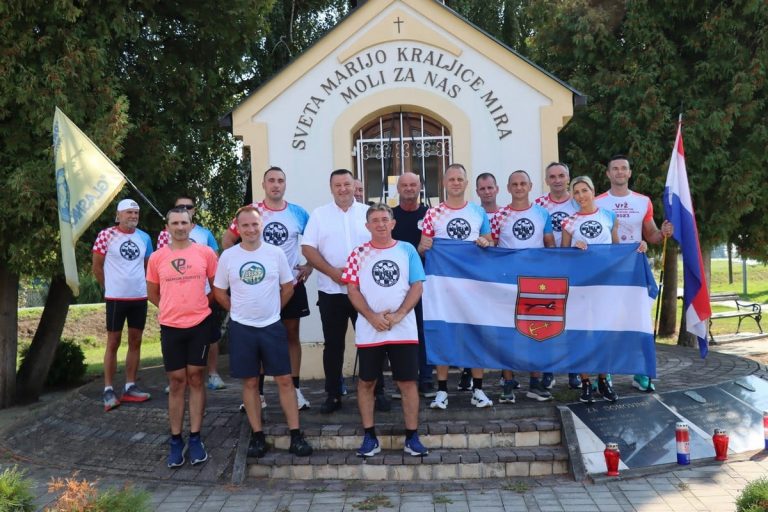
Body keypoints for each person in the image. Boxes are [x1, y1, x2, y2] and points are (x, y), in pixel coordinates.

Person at [214, 206, 312, 458]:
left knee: (285, 380)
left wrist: (274, 310)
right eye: (245, 225)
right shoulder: (228, 256)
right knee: (250, 382)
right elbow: (219, 292)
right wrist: (236, 311)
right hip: (242, 328)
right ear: (238, 228)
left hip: (271, 326)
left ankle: (296, 435)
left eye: (255, 225)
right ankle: (257, 436)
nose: (250, 229)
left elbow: (288, 287)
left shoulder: (274, 253)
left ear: (262, 226)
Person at [222, 167, 313, 410]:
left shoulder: (298, 212)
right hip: (257, 287)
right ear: (263, 184)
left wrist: (310, 265)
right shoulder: (251, 212)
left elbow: (315, 242)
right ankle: (258, 394)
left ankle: (295, 390)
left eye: (280, 180)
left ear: (285, 184)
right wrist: (236, 269)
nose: (276, 184)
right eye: (271, 180)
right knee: (257, 338)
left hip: (290, 285)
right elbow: (227, 239)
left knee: (292, 335)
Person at [342, 204, 429, 457]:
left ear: (393, 223)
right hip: (370, 330)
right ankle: (370, 437)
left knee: (407, 382)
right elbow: (352, 289)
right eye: (375, 220)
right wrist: (371, 317)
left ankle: (412, 437)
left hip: (403, 330)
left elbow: (417, 286)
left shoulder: (407, 250)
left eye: (384, 219)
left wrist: (400, 314)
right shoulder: (358, 253)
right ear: (367, 226)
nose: (380, 224)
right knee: (367, 382)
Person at [302, 169, 390, 413]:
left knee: (372, 343)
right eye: (337, 185)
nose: (343, 189)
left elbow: (382, 244)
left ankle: (378, 392)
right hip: (331, 291)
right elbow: (308, 249)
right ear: (331, 188)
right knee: (333, 346)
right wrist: (333, 273)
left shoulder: (368, 213)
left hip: (366, 292)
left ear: (354, 186)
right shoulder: (319, 215)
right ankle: (333, 394)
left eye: (347, 184)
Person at [146, 207, 218, 467]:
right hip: (171, 327)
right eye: (174, 223)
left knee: (196, 378)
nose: (179, 227)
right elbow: (152, 292)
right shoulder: (157, 258)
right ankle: (176, 440)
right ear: (167, 227)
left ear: (191, 225)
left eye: (184, 222)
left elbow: (217, 286)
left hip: (199, 325)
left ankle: (196, 438)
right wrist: (171, 308)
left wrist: (200, 305)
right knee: (177, 382)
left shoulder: (205, 253)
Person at [418, 163, 494, 410]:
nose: (456, 183)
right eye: (451, 179)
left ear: (466, 182)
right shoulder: (433, 213)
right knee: (443, 332)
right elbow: (422, 248)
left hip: (473, 284)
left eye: (460, 179)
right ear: (444, 183)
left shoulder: (478, 212)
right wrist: (424, 247)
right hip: (443, 286)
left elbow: (490, 241)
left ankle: (478, 389)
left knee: (475, 332)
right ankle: (442, 390)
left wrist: (485, 242)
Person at [595, 155, 673, 392]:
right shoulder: (597, 202)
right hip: (607, 271)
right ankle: (605, 373)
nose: (619, 172)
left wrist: (663, 233)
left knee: (638, 320)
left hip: (635, 269)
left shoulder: (643, 201)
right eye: (615, 168)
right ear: (608, 174)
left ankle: (640, 373)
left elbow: (651, 234)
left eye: (624, 168)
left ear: (629, 173)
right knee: (607, 320)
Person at [491, 170, 555, 403]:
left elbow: (550, 245)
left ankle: (535, 383)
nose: (519, 187)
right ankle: (508, 382)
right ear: (508, 188)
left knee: (537, 330)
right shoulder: (499, 216)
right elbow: (492, 246)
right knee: (507, 332)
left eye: (523, 183)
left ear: (530, 186)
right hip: (507, 282)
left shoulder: (542, 213)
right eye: (515, 184)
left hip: (536, 282)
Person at [561, 176, 622, 403]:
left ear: (593, 191)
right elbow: (562, 255)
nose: (580, 196)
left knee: (604, 333)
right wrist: (573, 250)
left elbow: (617, 250)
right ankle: (585, 382)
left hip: (605, 285)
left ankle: (603, 380)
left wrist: (638, 247)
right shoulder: (569, 222)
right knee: (582, 333)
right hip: (581, 286)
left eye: (584, 190)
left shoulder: (609, 216)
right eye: (576, 192)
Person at [157, 195, 225, 391]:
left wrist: (206, 299)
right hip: (174, 309)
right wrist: (167, 302)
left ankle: (213, 374)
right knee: (177, 368)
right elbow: (160, 267)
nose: (184, 209)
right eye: (180, 207)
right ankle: (176, 380)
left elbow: (215, 262)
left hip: (205, 299)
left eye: (188, 207)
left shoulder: (205, 233)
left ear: (193, 211)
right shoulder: (163, 236)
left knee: (212, 337)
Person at [92, 198, 154, 412]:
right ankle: (108, 389)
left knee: (136, 341)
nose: (133, 216)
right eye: (129, 212)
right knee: (113, 342)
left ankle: (130, 386)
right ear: (118, 215)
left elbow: (148, 267)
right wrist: (109, 288)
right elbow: (97, 267)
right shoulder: (106, 235)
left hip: (139, 297)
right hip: (116, 298)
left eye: (136, 213)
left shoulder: (144, 237)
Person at [535, 162, 580, 390]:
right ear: (546, 180)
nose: (557, 180)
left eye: (561, 175)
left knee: (573, 319)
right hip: (547, 270)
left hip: (575, 269)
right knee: (548, 319)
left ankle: (574, 371)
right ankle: (548, 370)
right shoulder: (538, 205)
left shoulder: (578, 201)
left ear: (568, 178)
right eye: (552, 176)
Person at [391, 172, 434, 398]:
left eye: (413, 184)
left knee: (423, 330)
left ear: (420, 187)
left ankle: (426, 378)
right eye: (404, 185)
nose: (409, 188)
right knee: (399, 331)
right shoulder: (390, 217)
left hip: (425, 284)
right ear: (398, 188)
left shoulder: (430, 215)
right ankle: (403, 380)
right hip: (394, 284)